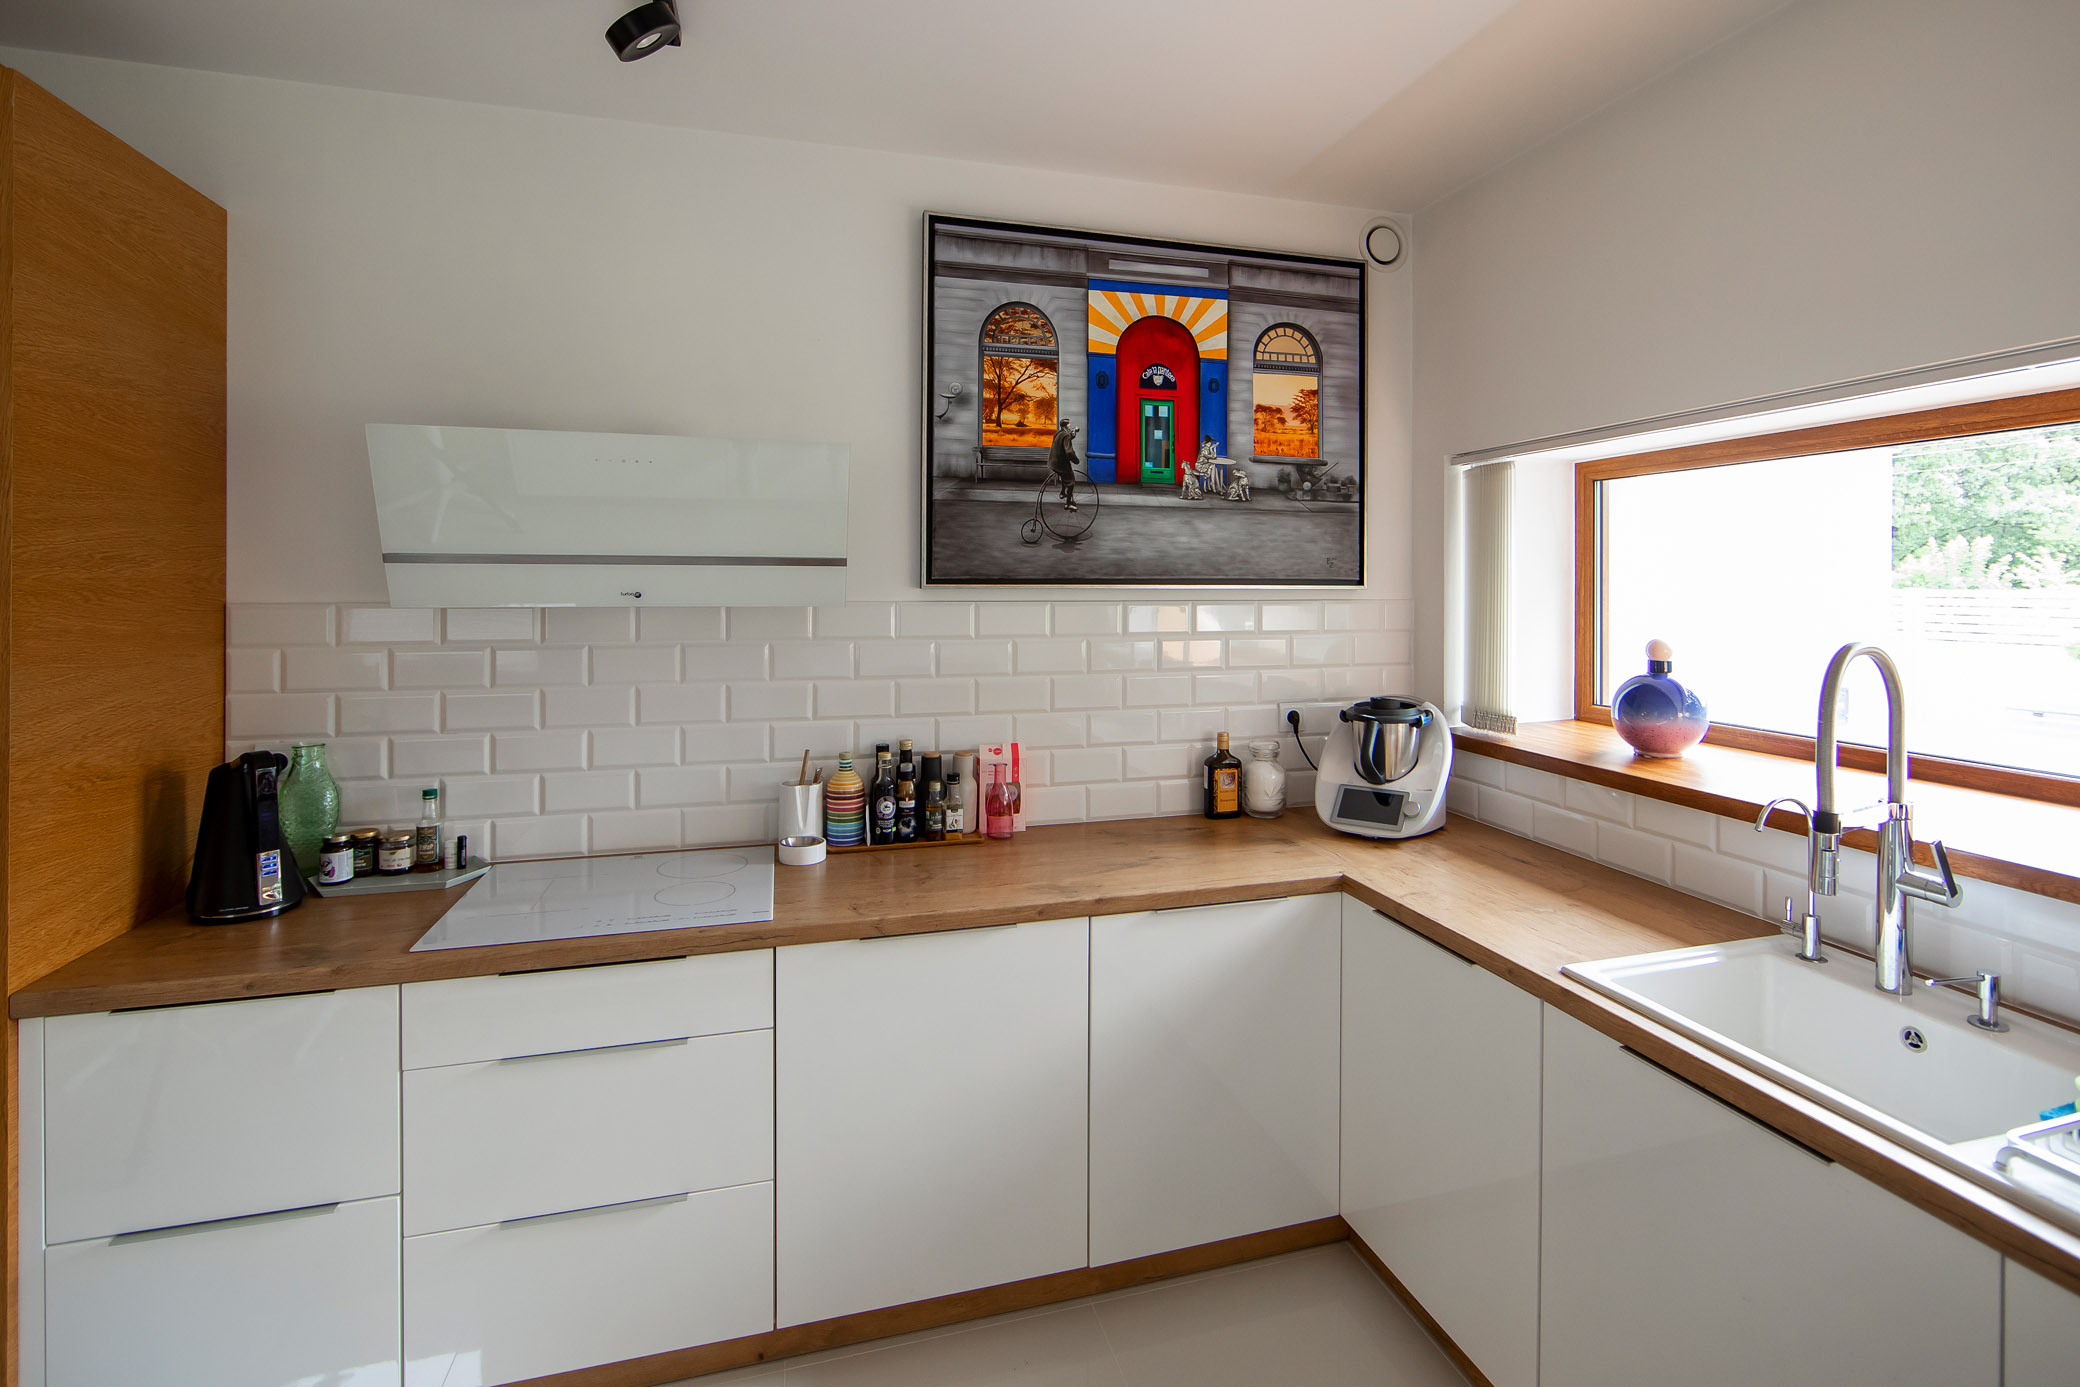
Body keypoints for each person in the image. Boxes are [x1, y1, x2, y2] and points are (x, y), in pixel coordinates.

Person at [1047, 419, 1081, 512]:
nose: (1070, 425)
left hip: (1053, 463)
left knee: (1064, 475)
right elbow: (1069, 452)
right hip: (1061, 464)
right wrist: (1076, 460)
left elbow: (1065, 438)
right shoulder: (1066, 435)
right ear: (1066, 426)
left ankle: (1062, 493)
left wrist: (1073, 434)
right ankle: (1068, 504)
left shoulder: (1058, 434)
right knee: (1071, 481)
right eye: (1069, 424)